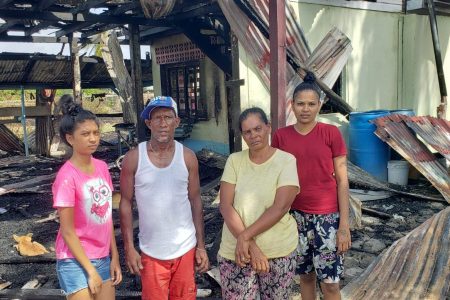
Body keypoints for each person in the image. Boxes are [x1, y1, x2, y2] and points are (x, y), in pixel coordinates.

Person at [119, 96, 209, 300]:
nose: (162, 123)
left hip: (185, 248)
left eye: (168, 117)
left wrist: (200, 246)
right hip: (151, 251)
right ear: (148, 123)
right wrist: (129, 248)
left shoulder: (187, 157)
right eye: (157, 118)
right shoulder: (134, 158)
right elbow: (125, 203)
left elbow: (195, 202)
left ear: (176, 122)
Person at [272, 72, 351, 300]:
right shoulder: (281, 137)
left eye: (311, 104)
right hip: (294, 218)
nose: (305, 109)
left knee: (331, 285)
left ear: (319, 105)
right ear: (292, 105)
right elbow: (275, 179)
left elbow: (342, 180)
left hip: (327, 218)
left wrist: (343, 226)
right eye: (300, 104)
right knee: (305, 277)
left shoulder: (331, 133)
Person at [218, 107, 300, 299]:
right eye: (247, 131)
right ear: (242, 136)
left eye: (258, 129)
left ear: (268, 127)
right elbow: (225, 205)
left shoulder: (286, 161)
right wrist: (250, 244)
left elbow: (280, 208)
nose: (253, 135)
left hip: (277, 251)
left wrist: (245, 237)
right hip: (236, 253)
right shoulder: (234, 161)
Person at [52, 95, 122, 300]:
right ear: (70, 138)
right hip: (73, 261)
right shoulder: (66, 177)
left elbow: (106, 217)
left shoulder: (102, 168)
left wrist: (114, 257)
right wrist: (90, 271)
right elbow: (67, 231)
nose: (93, 138)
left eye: (96, 133)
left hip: (102, 257)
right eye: (85, 134)